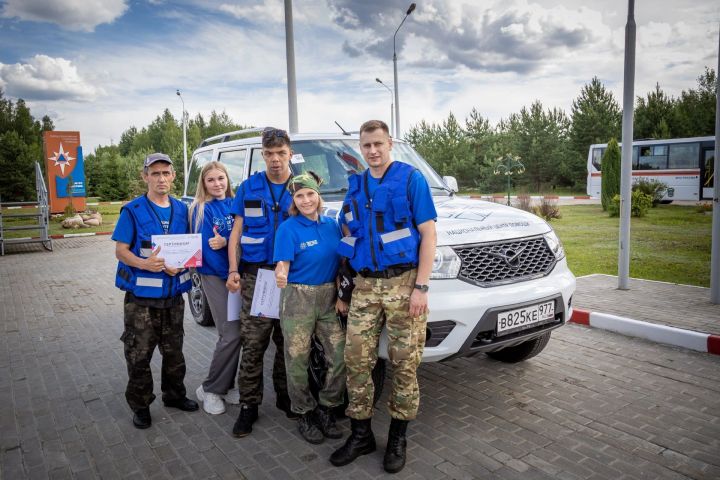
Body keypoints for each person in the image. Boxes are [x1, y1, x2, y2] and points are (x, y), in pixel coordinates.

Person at [330, 120, 437, 473]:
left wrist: (421, 287)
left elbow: (428, 235)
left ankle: (397, 438)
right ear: (361, 149)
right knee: (357, 361)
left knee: (404, 363)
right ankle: (361, 435)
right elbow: (348, 230)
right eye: (366, 146)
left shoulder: (410, 179)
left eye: (378, 144)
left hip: (404, 285)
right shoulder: (356, 185)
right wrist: (345, 283)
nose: (373, 151)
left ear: (389, 143)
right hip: (364, 287)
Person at [112, 152, 199, 429]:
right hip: (141, 301)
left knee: (175, 353)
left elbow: (187, 247)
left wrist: (180, 263)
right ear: (145, 176)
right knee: (139, 355)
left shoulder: (182, 210)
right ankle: (141, 404)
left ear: (173, 177)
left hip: (173, 297)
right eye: (155, 173)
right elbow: (121, 251)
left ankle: (174, 395)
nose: (161, 178)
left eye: (166, 173)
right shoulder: (133, 211)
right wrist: (144, 263)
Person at [226, 127, 297, 437]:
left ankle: (285, 397)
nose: (275, 160)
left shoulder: (302, 185)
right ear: (262, 155)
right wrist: (233, 270)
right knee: (254, 344)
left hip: (293, 277)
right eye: (269, 154)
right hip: (257, 277)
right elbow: (236, 234)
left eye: (281, 153)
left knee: (288, 343)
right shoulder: (249, 187)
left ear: (290, 153)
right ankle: (249, 405)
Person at [273, 172, 347, 444]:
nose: (305, 200)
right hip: (297, 297)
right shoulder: (288, 229)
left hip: (329, 297)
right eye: (299, 196)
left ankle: (327, 408)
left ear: (318, 196)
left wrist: (342, 294)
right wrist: (281, 274)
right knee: (297, 359)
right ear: (294, 200)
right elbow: (283, 265)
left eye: (310, 194)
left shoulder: (332, 225)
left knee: (339, 355)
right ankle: (303, 412)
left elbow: (340, 263)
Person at [189, 161, 241, 415]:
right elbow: (206, 247)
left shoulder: (235, 203)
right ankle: (210, 389)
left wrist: (227, 241)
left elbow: (241, 236)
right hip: (217, 276)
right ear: (204, 183)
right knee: (229, 333)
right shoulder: (202, 209)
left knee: (238, 332)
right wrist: (222, 247)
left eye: (221, 178)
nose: (217, 184)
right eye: (211, 180)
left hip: (237, 275)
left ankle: (227, 384)